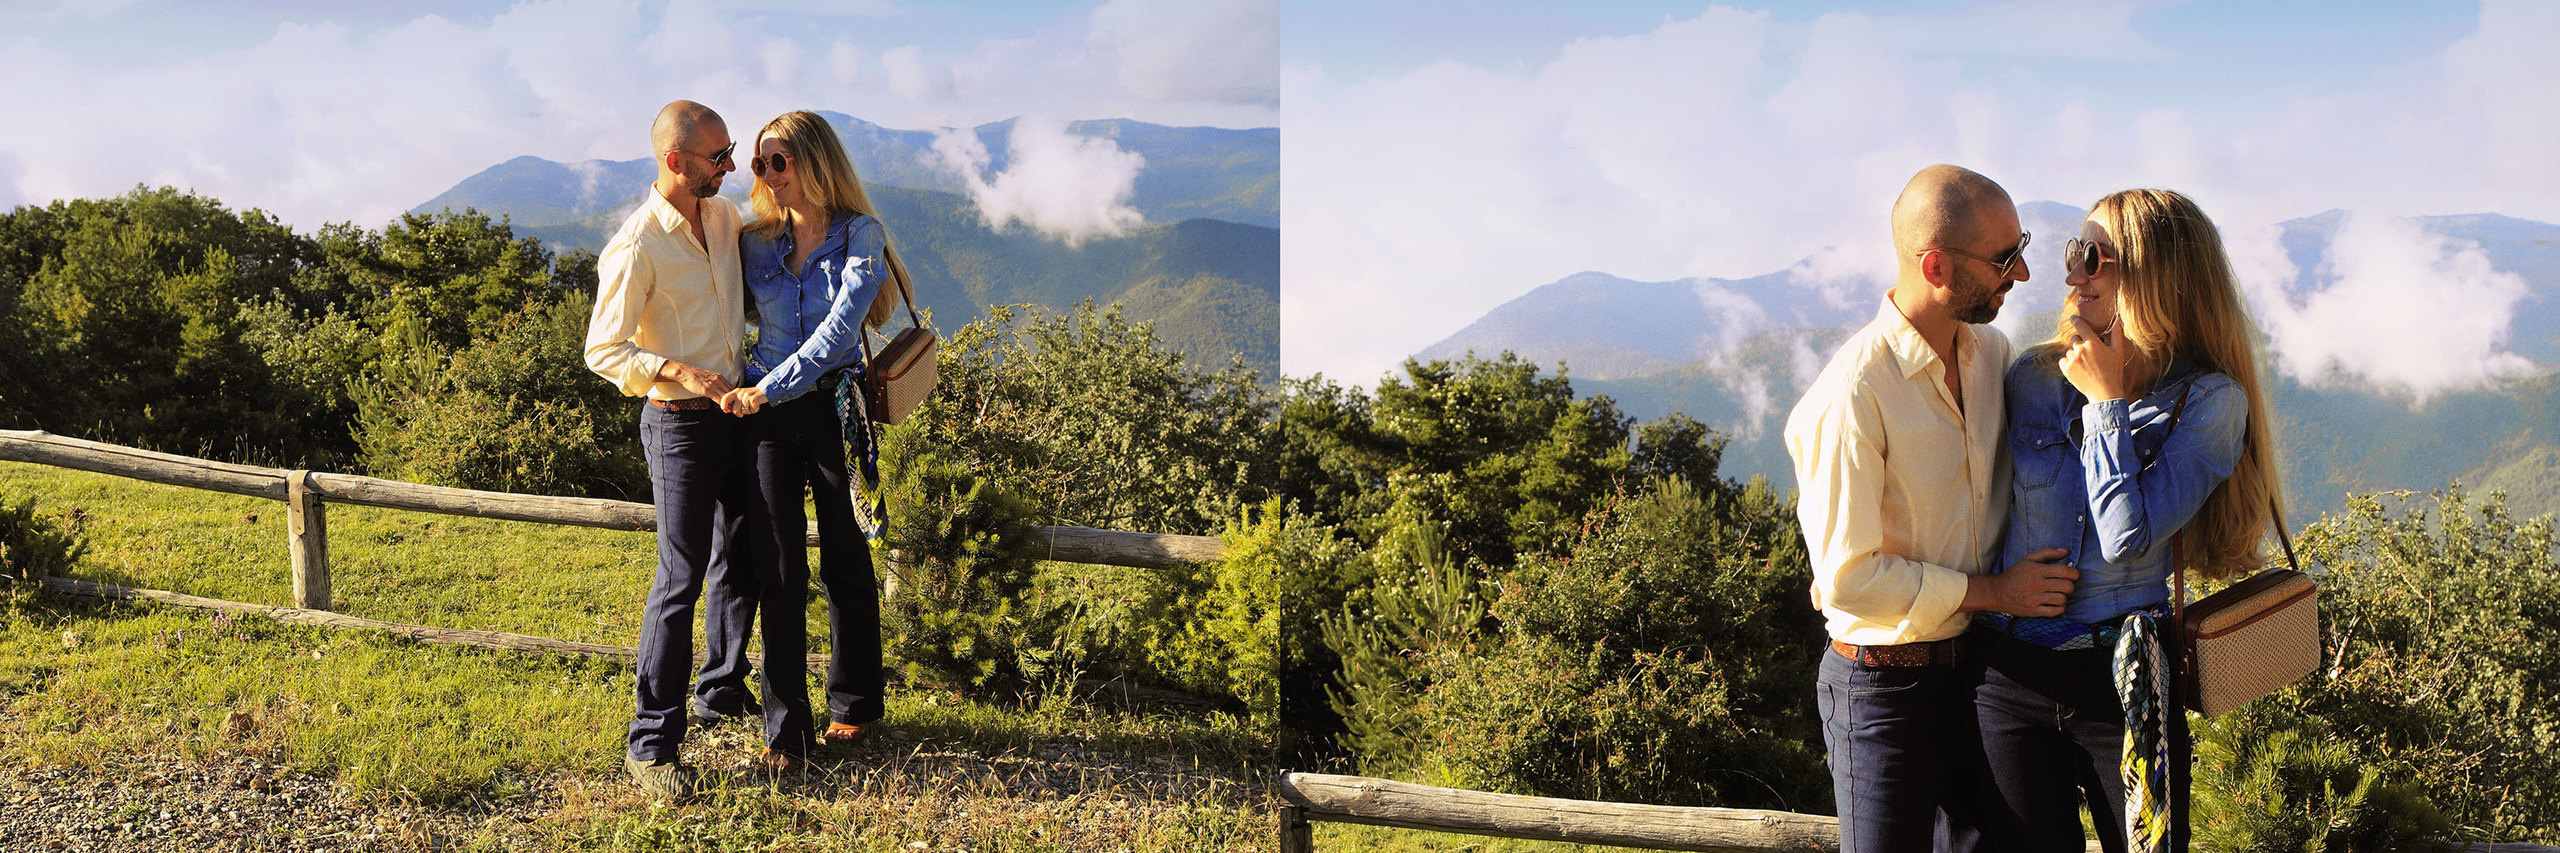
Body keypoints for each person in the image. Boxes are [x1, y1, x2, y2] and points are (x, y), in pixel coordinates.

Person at [1969, 188, 2281, 853]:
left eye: (2092, 257)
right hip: (2008, 672)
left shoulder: (2210, 401)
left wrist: (2107, 402)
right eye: (2072, 252)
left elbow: (2125, 537)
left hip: (2128, 679)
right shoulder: (2032, 376)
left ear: (2154, 275)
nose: (2071, 272)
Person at [1783, 164, 2079, 853]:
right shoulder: (1853, 395)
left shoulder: (1990, 354)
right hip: (1880, 694)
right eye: (2005, 258)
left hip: (1979, 676)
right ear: (1938, 264)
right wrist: (1993, 591)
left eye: (2022, 245)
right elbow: (1849, 579)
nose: (2025, 273)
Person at [584, 99, 781, 799]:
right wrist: (678, 370)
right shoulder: (636, 245)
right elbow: (603, 351)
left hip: (736, 416)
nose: (731, 168)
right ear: (676, 162)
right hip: (678, 427)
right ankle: (651, 746)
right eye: (718, 158)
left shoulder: (723, 217)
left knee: (748, 556)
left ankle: (720, 688)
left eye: (731, 153)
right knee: (680, 578)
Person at [715, 110, 915, 754]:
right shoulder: (754, 241)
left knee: (847, 561)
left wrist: (764, 387)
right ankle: (786, 724)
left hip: (836, 409)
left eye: (781, 161)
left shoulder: (862, 235)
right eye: (760, 164)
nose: (769, 175)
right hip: (767, 417)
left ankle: (854, 704)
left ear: (816, 161)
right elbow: (717, 305)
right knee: (778, 567)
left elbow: (837, 335)